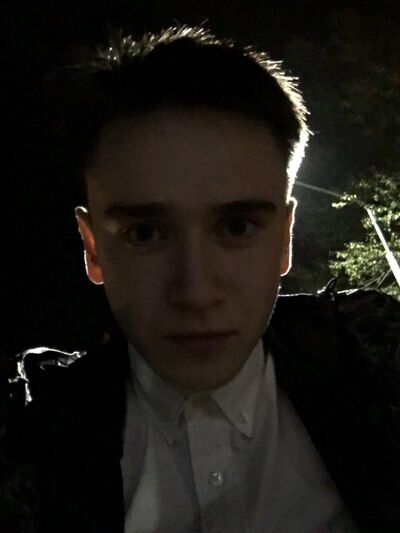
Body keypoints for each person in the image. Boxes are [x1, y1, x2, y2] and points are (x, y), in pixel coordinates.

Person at [1, 24, 399, 533]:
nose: (196, 292)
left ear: (285, 239)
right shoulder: (27, 440)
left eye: (236, 227)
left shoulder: (379, 359)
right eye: (145, 233)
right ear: (93, 247)